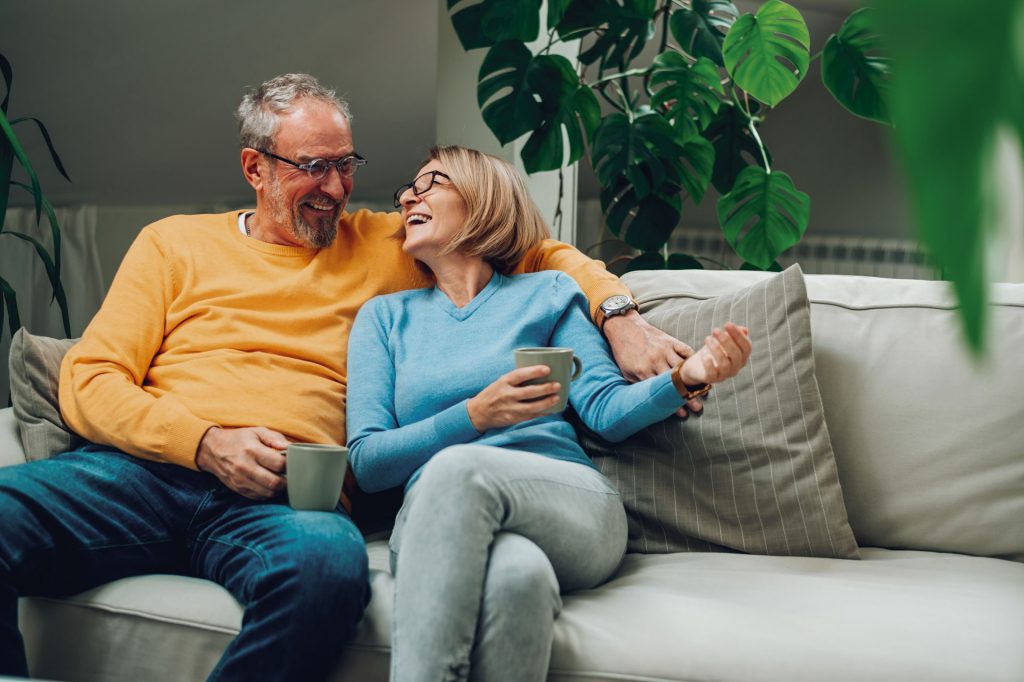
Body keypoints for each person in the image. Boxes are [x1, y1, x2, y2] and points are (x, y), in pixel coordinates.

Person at [0, 74, 704, 681]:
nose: (335, 188)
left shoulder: (390, 242)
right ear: (257, 167)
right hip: (144, 474)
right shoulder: (172, 243)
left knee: (328, 576)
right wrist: (203, 440)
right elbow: (89, 378)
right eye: (313, 167)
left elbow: (532, 247)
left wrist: (618, 314)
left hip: (286, 493)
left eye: (347, 164)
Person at [346, 145, 753, 682]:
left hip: (565, 502)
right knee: (518, 578)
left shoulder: (549, 293)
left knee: (458, 469)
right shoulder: (383, 319)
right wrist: (476, 414)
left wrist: (685, 377)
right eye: (407, 189)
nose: (407, 196)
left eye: (431, 183)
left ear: (482, 198)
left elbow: (605, 410)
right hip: (433, 516)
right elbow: (369, 462)